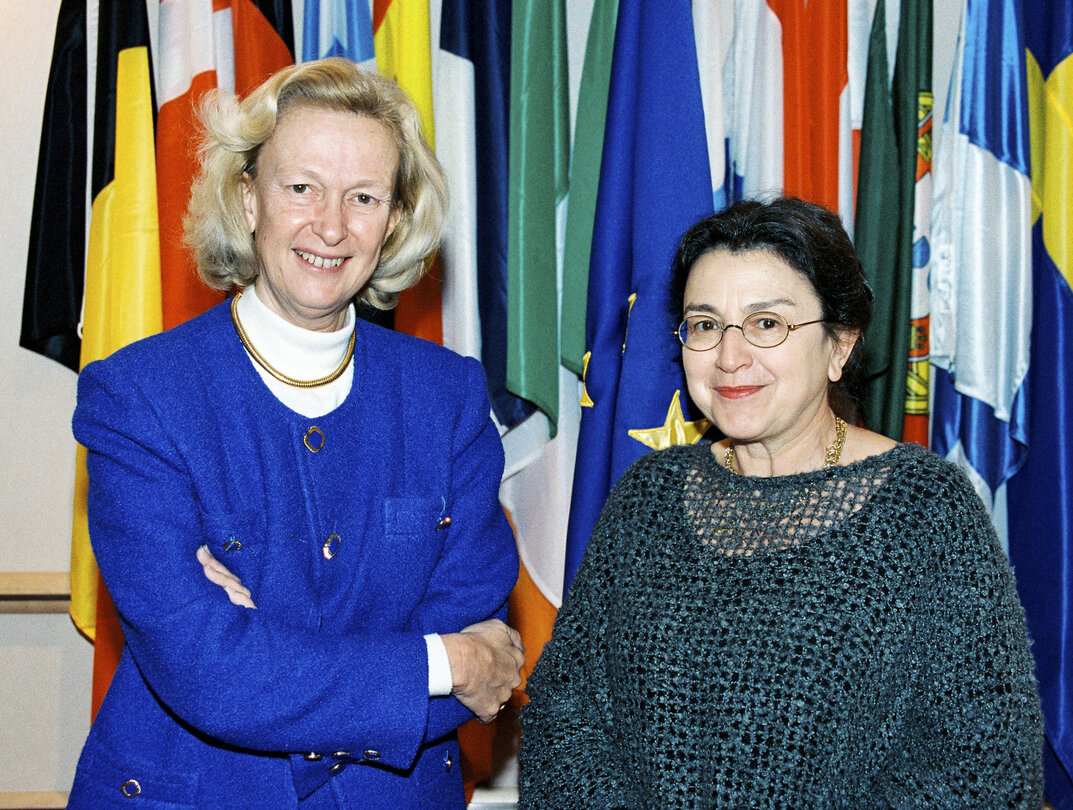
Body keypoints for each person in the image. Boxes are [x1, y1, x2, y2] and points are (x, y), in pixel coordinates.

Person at [68, 58, 523, 809]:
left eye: (364, 196)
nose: (332, 226)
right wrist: (439, 663)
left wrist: (268, 657)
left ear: (396, 219)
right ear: (248, 197)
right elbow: (210, 675)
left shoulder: (446, 396)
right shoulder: (139, 399)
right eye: (301, 187)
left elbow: (483, 628)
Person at [520, 198, 1044, 807]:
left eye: (767, 323)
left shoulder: (923, 512)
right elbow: (567, 714)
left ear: (839, 346)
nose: (730, 356)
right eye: (705, 323)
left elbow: (984, 765)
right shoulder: (646, 497)